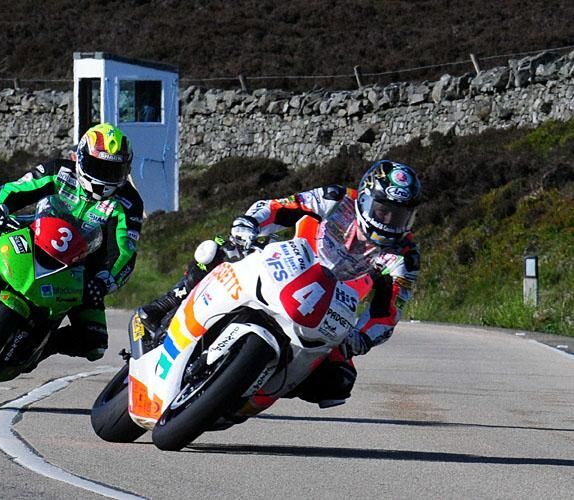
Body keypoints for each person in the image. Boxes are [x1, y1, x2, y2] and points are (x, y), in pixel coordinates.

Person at [138, 159, 421, 407]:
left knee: (339, 381)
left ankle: (256, 388)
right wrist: (248, 224)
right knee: (220, 249)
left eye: (400, 216)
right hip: (288, 266)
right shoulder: (336, 199)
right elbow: (279, 207)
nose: (390, 221)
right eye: (383, 209)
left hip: (329, 310)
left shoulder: (404, 257)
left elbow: (386, 315)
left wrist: (361, 338)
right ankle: (167, 303)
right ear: (365, 198)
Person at [0, 122, 144, 361]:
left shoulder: (129, 203)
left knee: (94, 344)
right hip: (34, 234)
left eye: (111, 171)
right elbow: (14, 189)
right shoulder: (59, 171)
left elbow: (123, 253)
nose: (103, 177)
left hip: (79, 270)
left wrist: (101, 283)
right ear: (80, 158)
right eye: (97, 166)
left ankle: (38, 349)